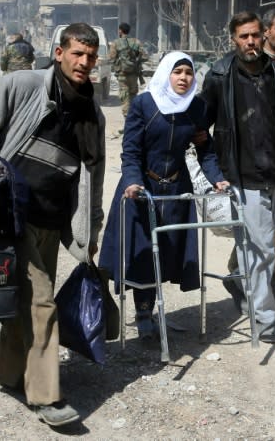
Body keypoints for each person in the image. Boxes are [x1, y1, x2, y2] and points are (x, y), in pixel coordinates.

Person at [0, 23, 106, 427]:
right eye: (77, 54)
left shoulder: (92, 110)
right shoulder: (22, 86)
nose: (84, 63)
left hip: (53, 223)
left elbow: (94, 173)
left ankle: (6, 373)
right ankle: (46, 398)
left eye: (90, 56)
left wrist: (91, 227)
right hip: (12, 219)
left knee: (26, 303)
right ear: (59, 53)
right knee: (41, 304)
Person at [98, 52, 227, 339]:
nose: (183, 78)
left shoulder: (196, 108)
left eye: (189, 73)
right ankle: (143, 312)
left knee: (169, 251)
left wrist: (217, 179)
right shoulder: (145, 104)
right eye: (177, 72)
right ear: (166, 73)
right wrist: (132, 181)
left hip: (177, 188)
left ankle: (154, 309)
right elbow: (131, 150)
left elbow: (205, 150)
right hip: (142, 188)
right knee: (143, 251)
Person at [198, 11, 275, 345]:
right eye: (244, 36)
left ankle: (238, 282)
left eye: (255, 35)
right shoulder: (219, 75)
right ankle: (266, 319)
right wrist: (215, 173)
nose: (250, 42)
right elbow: (202, 129)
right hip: (241, 178)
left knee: (266, 247)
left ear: (263, 37)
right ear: (233, 38)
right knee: (260, 251)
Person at [108, 22, 147, 131]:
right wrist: (136, 62)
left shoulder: (115, 43)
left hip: (122, 75)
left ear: (120, 30)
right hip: (134, 75)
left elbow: (111, 57)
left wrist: (117, 64)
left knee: (125, 98)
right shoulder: (136, 42)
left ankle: (128, 125)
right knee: (133, 97)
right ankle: (135, 122)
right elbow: (145, 56)